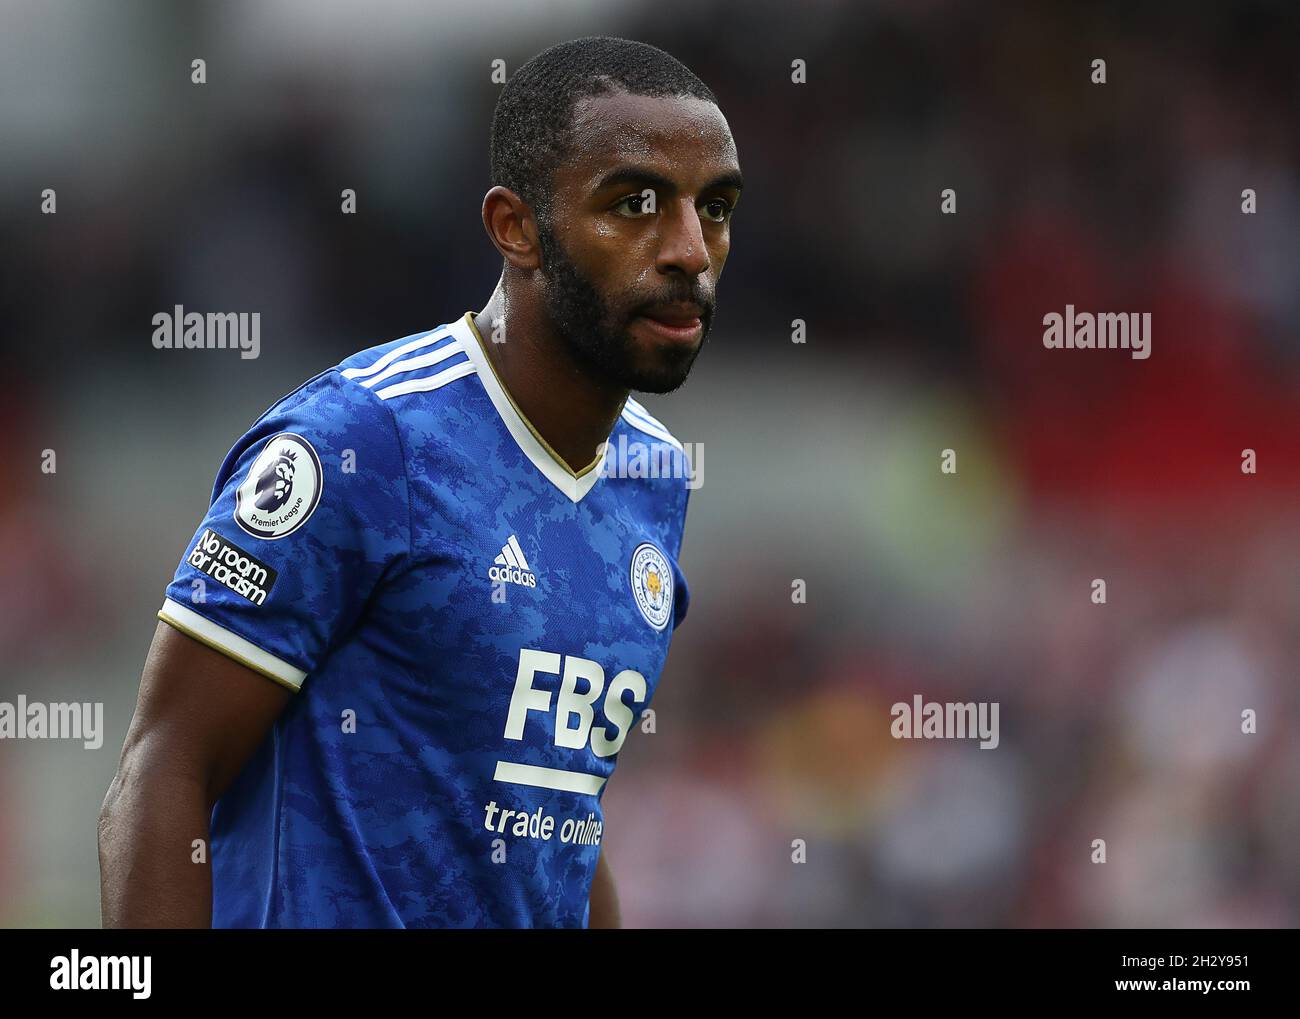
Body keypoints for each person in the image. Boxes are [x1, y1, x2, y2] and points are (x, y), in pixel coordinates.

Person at [98, 35, 742, 928]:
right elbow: (166, 764)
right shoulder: (361, 441)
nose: (688, 250)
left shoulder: (655, 476)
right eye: (634, 203)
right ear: (517, 227)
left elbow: (559, 814)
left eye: (713, 208)